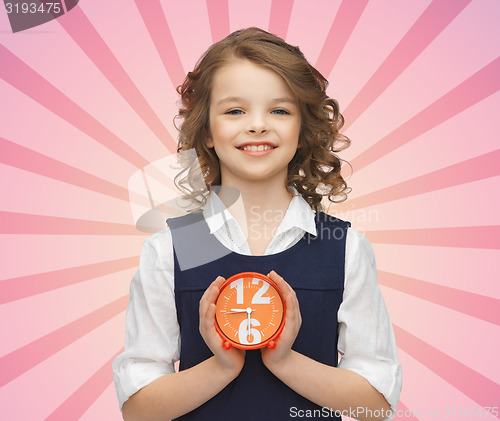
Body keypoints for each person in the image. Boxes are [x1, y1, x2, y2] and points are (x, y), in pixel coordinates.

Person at [113, 27, 402, 421]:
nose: (257, 125)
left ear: (302, 130)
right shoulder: (175, 248)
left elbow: (375, 405)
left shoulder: (341, 248)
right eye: (235, 111)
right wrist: (223, 365)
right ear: (207, 130)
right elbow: (139, 411)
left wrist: (284, 361)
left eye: (279, 110)